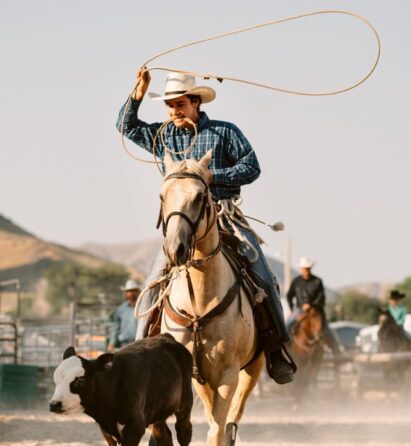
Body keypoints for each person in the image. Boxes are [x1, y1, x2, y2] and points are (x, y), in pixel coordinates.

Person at [117, 69, 295, 385]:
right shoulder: (163, 136)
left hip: (225, 216)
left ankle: (278, 350)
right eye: (170, 106)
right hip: (182, 225)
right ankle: (141, 356)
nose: (174, 111)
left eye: (180, 104)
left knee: (264, 278)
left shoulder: (225, 132)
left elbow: (251, 167)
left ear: (196, 102)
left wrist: (212, 177)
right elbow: (125, 126)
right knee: (151, 286)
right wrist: (138, 93)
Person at [286, 258, 343, 355]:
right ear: (301, 269)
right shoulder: (296, 281)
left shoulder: (317, 281)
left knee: (327, 330)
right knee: (287, 325)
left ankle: (337, 353)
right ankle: (283, 351)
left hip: (315, 312)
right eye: (304, 268)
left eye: (308, 268)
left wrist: (311, 305)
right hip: (299, 310)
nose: (306, 270)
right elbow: (289, 295)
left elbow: (321, 298)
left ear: (310, 268)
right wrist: (291, 309)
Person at [108, 280, 141, 352]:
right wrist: (112, 343)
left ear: (138, 291)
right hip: (125, 344)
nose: (131, 293)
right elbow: (116, 328)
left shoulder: (143, 307)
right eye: (129, 291)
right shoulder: (120, 310)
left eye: (133, 290)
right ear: (125, 293)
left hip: (140, 344)